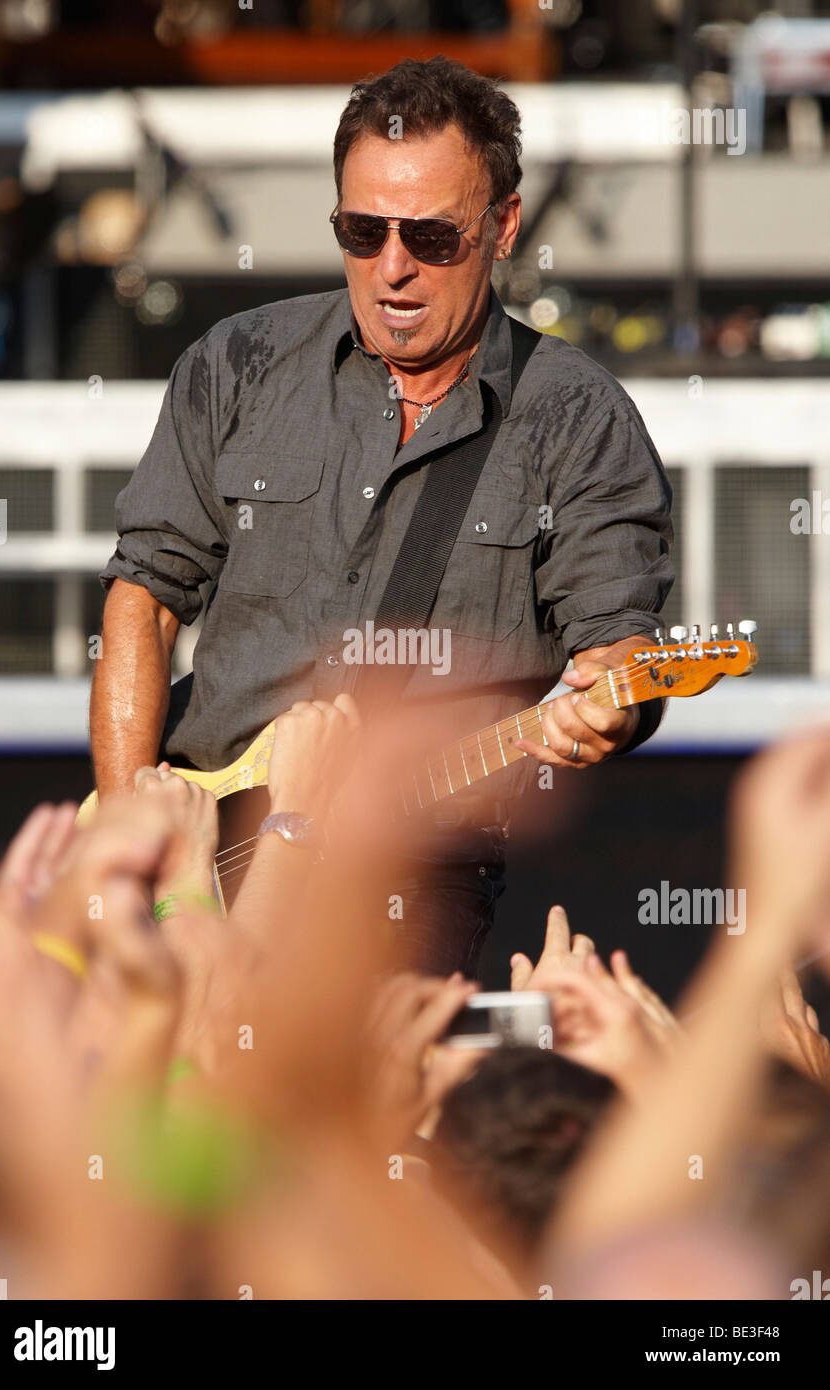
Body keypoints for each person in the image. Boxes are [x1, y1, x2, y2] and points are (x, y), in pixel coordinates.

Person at [91, 55, 674, 975]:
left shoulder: (576, 416)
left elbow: (618, 647)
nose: (392, 268)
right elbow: (143, 598)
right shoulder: (235, 365)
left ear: (502, 226)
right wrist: (131, 838)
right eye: (363, 231)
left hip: (414, 862)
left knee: (329, 1104)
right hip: (204, 852)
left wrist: (613, 697)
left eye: (432, 238)